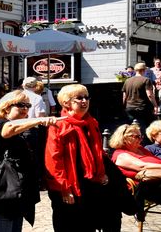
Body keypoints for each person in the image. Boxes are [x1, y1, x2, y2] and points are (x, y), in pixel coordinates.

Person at [0, 90, 58, 232]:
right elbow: (8, 130)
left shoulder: (17, 130)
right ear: (7, 108)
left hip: (13, 195)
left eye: (28, 105)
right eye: (21, 105)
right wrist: (38, 120)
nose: (26, 109)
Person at [44, 84, 114, 231]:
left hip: (89, 182)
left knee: (88, 224)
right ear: (66, 103)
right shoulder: (59, 125)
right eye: (79, 98)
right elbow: (54, 160)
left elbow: (97, 151)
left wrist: (101, 173)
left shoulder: (91, 122)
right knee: (68, 224)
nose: (84, 101)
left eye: (86, 97)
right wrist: (64, 188)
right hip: (68, 182)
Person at [109, 123, 161, 209]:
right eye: (136, 136)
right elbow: (142, 166)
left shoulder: (141, 149)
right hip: (147, 188)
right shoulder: (120, 155)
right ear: (123, 138)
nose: (140, 139)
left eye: (140, 136)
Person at [124, 61, 161, 128]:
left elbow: (124, 96)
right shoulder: (146, 80)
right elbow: (149, 95)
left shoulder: (127, 81)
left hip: (129, 107)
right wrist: (155, 106)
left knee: (130, 128)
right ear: (144, 70)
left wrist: (124, 106)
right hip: (143, 108)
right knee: (149, 126)